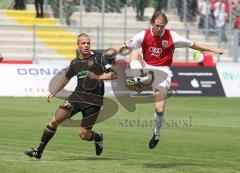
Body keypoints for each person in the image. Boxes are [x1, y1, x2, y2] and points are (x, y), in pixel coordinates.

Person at [104, 11, 224, 149]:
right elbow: (125, 46)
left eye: (161, 26)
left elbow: (193, 44)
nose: (158, 29)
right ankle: (139, 78)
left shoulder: (172, 36)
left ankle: (156, 133)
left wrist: (212, 49)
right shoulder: (143, 35)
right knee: (134, 52)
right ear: (152, 23)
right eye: (156, 25)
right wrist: (113, 51)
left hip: (163, 72)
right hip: (147, 66)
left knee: (160, 110)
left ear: (165, 25)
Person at [25, 33, 117, 159]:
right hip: (77, 97)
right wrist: (54, 92)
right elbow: (67, 77)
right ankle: (38, 151)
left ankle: (98, 137)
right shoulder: (75, 62)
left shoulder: (99, 58)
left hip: (94, 102)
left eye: (88, 43)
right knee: (54, 120)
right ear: (78, 45)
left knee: (84, 135)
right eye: (83, 43)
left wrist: (98, 77)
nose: (86, 45)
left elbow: (114, 74)